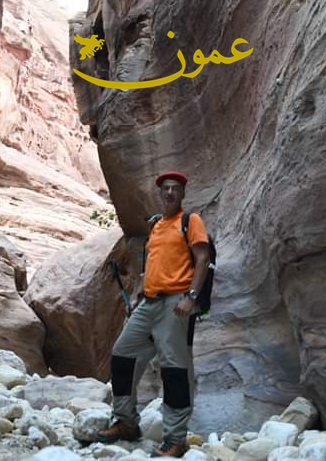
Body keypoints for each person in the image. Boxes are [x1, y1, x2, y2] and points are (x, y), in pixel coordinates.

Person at [96, 170, 210, 458]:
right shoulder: (157, 226)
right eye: (165, 188)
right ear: (160, 193)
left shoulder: (190, 221)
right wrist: (137, 294)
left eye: (175, 188)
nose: (170, 192)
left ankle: (175, 439)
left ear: (182, 193)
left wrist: (191, 297)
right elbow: (150, 267)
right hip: (148, 303)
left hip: (176, 303)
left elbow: (203, 258)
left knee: (174, 368)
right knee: (122, 353)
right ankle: (126, 421)